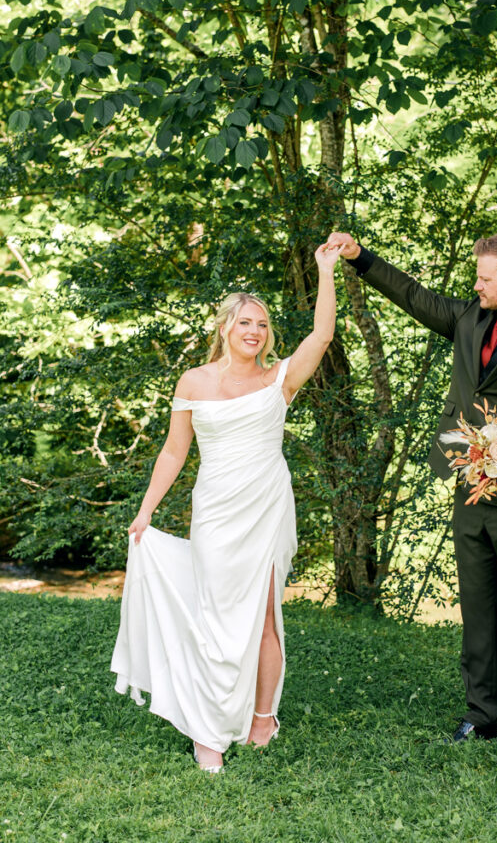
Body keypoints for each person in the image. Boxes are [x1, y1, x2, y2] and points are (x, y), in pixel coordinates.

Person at [326, 230, 497, 764]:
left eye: (484, 277)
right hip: (470, 491)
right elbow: (413, 296)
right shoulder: (469, 318)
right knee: (478, 608)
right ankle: (482, 715)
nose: (475, 285)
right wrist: (361, 259)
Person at [111, 243, 342, 772]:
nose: (254, 332)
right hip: (215, 509)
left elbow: (322, 335)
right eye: (244, 323)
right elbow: (175, 451)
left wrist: (325, 271)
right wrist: (146, 510)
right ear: (224, 328)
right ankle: (208, 727)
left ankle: (262, 717)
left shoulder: (278, 379)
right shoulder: (194, 381)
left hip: (267, 506)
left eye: (261, 324)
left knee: (263, 617)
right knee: (216, 617)